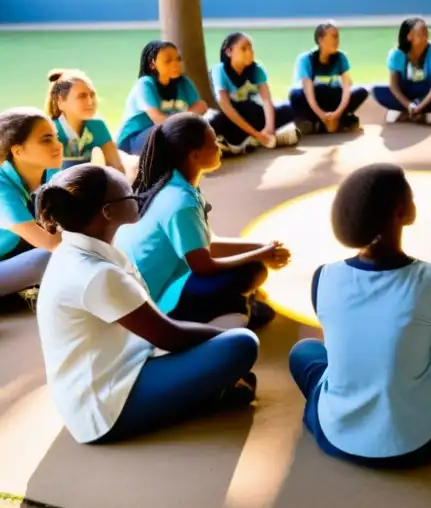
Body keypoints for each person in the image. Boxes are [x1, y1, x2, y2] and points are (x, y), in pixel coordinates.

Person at [289, 163, 431, 468]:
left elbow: (348, 356)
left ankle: (348, 415)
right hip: (420, 439)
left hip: (339, 433)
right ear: (400, 213)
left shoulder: (323, 277)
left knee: (303, 353)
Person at [34, 164, 261, 444]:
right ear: (108, 212)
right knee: (241, 344)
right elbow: (170, 336)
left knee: (225, 345)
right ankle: (210, 393)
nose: (139, 197)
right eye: (131, 196)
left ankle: (215, 388)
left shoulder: (79, 249)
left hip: (120, 369)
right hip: (106, 406)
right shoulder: (95, 275)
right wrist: (223, 339)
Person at [115, 114, 290, 328]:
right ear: (195, 155)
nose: (220, 146)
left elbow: (203, 246)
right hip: (159, 302)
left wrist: (262, 247)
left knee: (252, 266)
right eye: (214, 143)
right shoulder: (181, 201)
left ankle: (235, 305)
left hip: (153, 287)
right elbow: (203, 265)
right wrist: (258, 255)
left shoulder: (174, 184)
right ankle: (217, 313)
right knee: (253, 270)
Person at [0, 109, 63, 298]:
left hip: (12, 261)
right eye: (46, 139)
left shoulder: (51, 174)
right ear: (18, 151)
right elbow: (49, 243)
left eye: (55, 137)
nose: (58, 145)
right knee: (49, 256)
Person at [209, 31, 300, 155]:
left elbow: (267, 100)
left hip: (254, 115)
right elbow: (226, 106)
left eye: (251, 48)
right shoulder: (219, 71)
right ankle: (248, 139)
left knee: (288, 109)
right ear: (229, 52)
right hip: (233, 118)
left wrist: (269, 128)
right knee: (217, 121)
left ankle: (248, 141)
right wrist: (257, 134)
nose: (250, 53)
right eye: (244, 49)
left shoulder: (257, 70)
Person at [116, 41, 207, 156]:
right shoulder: (145, 84)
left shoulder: (183, 82)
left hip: (167, 131)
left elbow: (201, 106)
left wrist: (187, 118)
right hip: (135, 140)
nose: (175, 64)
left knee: (200, 128)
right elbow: (158, 119)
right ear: (152, 64)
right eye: (168, 61)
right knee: (176, 133)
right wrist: (187, 117)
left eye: (178, 59)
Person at [288, 21, 368, 135]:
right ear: (320, 40)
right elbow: (309, 94)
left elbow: (346, 89)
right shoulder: (306, 59)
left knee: (361, 91)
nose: (337, 41)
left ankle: (322, 124)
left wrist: (337, 113)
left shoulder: (341, 58)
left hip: (332, 100)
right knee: (296, 95)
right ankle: (328, 122)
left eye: (338, 37)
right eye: (333, 37)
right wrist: (322, 115)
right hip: (313, 100)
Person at [371, 17, 431, 125]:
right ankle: (413, 112)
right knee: (378, 91)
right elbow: (394, 86)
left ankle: (414, 113)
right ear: (409, 37)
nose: (425, 36)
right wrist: (409, 105)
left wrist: (420, 105)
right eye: (421, 33)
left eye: (426, 32)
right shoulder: (397, 55)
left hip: (427, 92)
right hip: (406, 93)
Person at [46, 69, 124, 174]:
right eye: (82, 96)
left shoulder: (97, 126)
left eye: (92, 95)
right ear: (61, 102)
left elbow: (117, 167)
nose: (90, 101)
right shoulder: (49, 130)